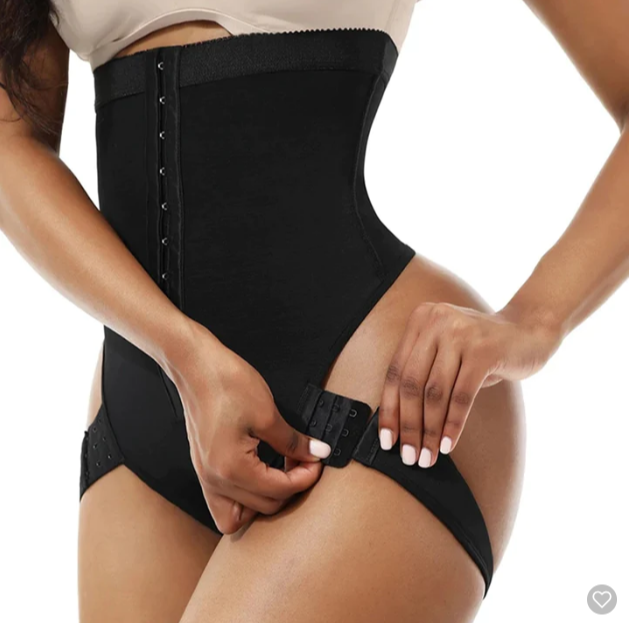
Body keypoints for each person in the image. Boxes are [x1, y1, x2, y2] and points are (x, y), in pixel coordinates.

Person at [0, 2, 627, 621]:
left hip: (376, 394)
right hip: (147, 390)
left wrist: (537, 319)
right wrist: (182, 353)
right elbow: (10, 143)